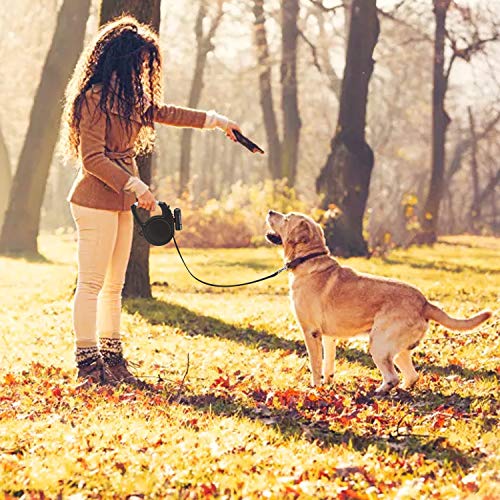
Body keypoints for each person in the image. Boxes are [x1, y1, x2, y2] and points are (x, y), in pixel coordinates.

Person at [61, 16, 241, 387]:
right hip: (93, 200)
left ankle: (113, 358)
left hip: (119, 200)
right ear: (120, 60)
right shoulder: (92, 99)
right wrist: (136, 186)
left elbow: (169, 113)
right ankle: (88, 365)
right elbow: (92, 158)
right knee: (92, 284)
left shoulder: (129, 98)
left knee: (115, 286)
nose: (143, 69)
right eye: (139, 63)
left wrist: (219, 121)